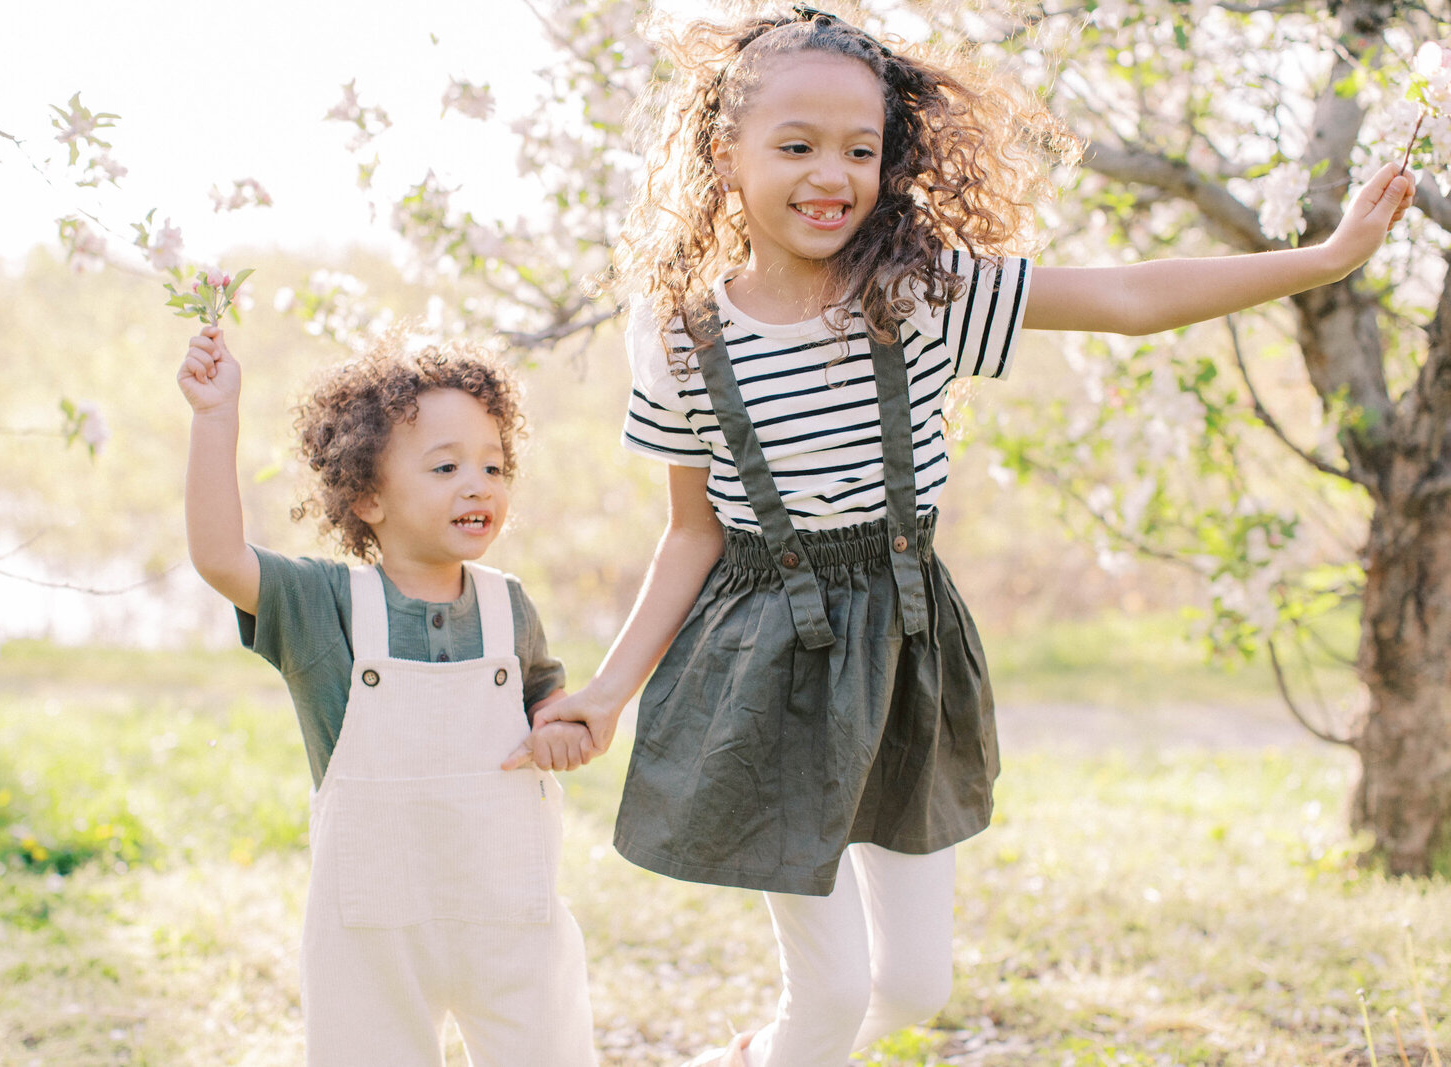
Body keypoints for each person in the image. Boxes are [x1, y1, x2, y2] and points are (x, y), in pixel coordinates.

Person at [531, 7, 1418, 1066]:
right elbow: (690, 534)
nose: (833, 175)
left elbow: (1130, 298)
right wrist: (608, 689)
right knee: (828, 996)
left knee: (911, 983)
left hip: (906, 644)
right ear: (726, 153)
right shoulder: (678, 330)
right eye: (797, 145)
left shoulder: (919, 295)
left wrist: (1321, 262)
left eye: (860, 149)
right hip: (765, 663)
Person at [177, 326, 597, 1067]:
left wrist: (560, 730)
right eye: (445, 466)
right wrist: (215, 417)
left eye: (495, 465)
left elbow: (545, 705)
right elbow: (218, 556)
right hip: (373, 934)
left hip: (508, 920)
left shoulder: (509, 606)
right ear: (367, 495)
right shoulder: (324, 606)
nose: (479, 484)